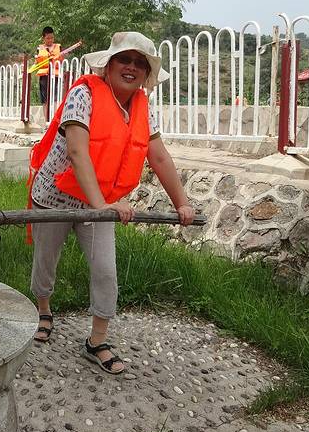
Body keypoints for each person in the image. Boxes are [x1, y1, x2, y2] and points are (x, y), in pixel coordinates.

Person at [28, 31, 195, 375]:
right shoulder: (83, 94)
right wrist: (102, 205)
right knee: (46, 259)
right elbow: (77, 151)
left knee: (105, 269)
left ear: (146, 74)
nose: (131, 67)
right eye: (124, 59)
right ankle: (44, 310)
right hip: (55, 195)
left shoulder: (143, 109)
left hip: (100, 202)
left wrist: (182, 202)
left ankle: (97, 341)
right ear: (108, 65)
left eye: (139, 63)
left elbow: (158, 156)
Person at [35, 27, 62, 116]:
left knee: (56, 98)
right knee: (45, 100)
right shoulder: (39, 48)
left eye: (52, 38)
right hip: (44, 77)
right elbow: (37, 62)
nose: (50, 40)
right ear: (43, 38)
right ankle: (47, 120)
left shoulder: (58, 47)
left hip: (56, 76)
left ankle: (54, 119)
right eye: (48, 38)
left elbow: (62, 60)